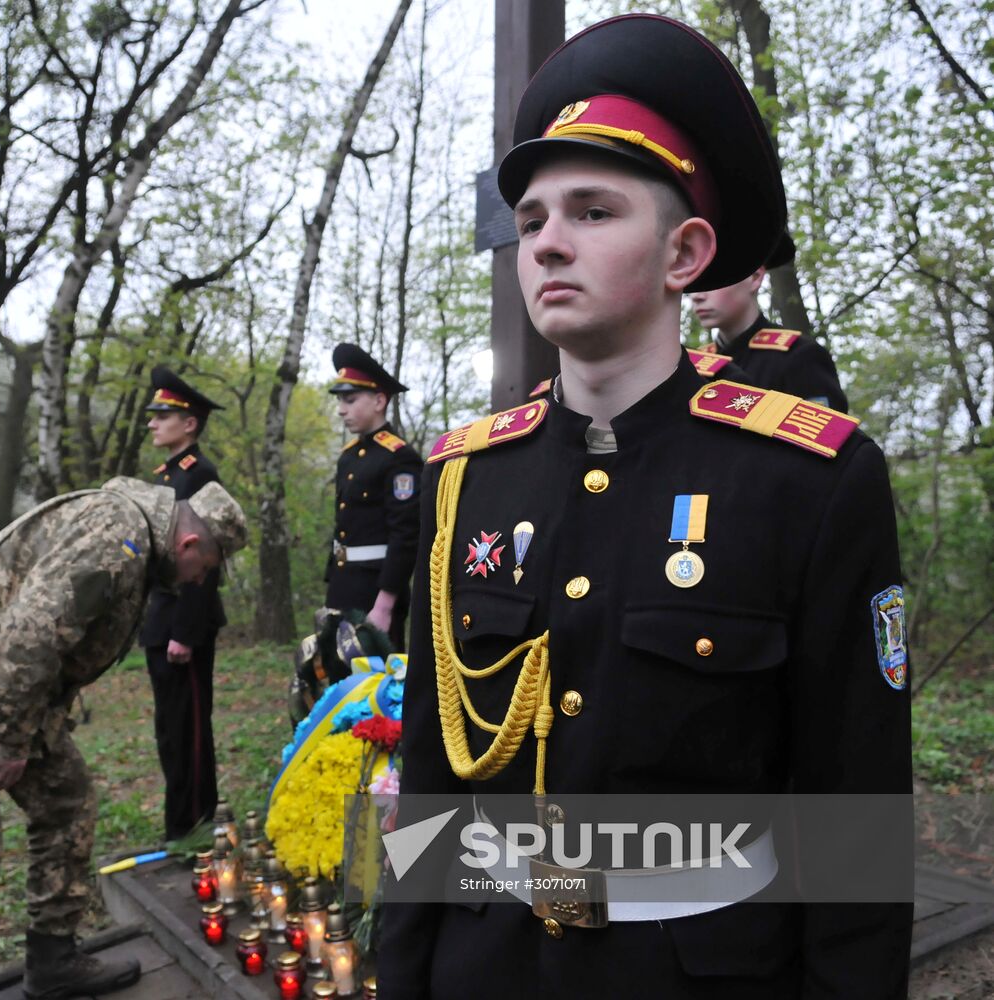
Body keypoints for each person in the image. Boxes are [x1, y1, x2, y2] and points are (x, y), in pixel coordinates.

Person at [379, 14, 911, 998]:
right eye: (531, 219)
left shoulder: (809, 480)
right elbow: (430, 777)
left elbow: (855, 817)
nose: (545, 245)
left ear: (683, 253)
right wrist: (403, 971)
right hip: (483, 963)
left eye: (591, 211)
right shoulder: (466, 477)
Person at [0, 476, 248, 1000]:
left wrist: (24, 728)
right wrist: (10, 743)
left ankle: (52, 961)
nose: (192, 582)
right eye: (201, 569)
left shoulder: (132, 535)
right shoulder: (116, 540)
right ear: (188, 544)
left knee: (67, 803)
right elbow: (26, 641)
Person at [139, 365, 228, 841]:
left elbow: (204, 559)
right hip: (162, 617)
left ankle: (194, 823)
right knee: (170, 732)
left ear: (189, 423)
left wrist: (185, 631)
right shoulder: (168, 475)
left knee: (189, 729)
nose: (152, 422)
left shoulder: (199, 476)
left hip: (182, 623)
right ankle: (180, 824)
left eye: (163, 414)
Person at [325, 343, 422, 649]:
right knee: (341, 687)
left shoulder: (400, 458)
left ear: (379, 400)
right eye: (341, 400)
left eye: (350, 400)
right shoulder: (349, 456)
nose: (342, 409)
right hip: (343, 587)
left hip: (375, 593)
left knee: (376, 689)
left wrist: (385, 604)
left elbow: (406, 536)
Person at [689, 251, 848, 411]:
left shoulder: (800, 356)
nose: (697, 296)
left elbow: (826, 434)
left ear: (755, 278)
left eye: (713, 280)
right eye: (694, 282)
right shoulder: (694, 365)